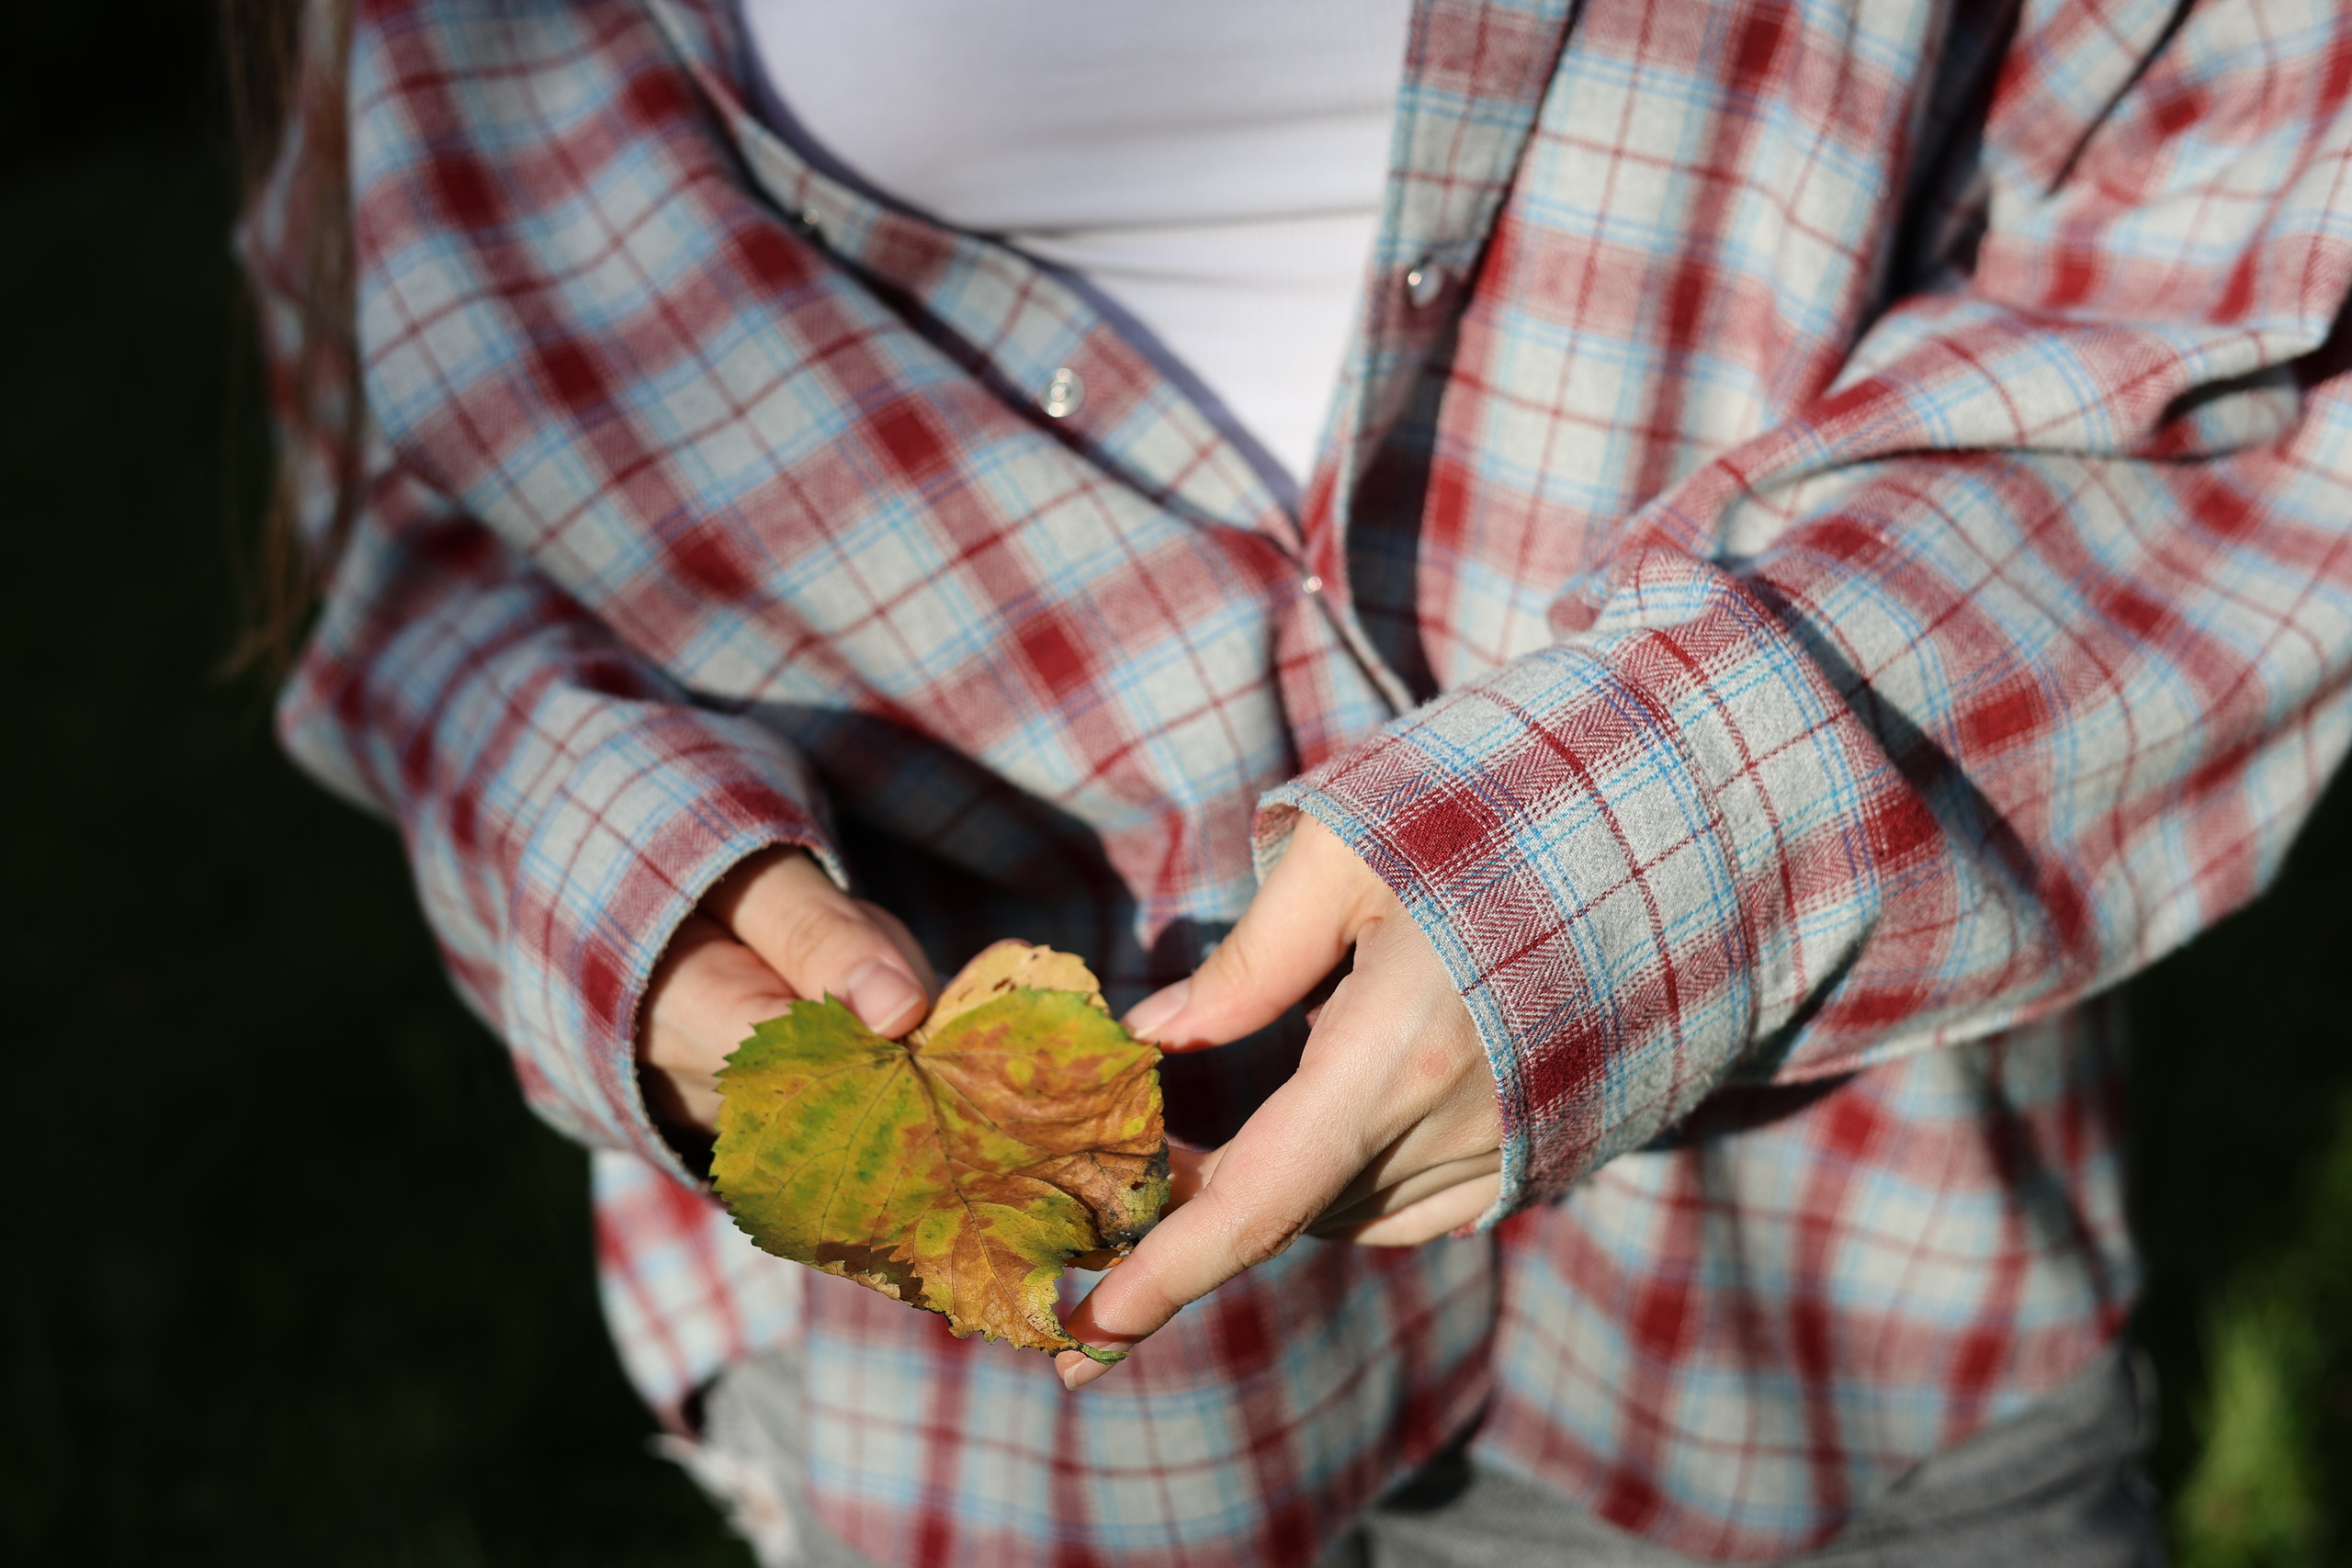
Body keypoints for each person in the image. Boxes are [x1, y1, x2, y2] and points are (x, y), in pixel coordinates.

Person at [233, 0, 2352, 1562]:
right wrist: (635, 888)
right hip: (1021, 1451)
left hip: (1808, 1326)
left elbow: (2261, 241)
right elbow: (404, 513)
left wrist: (1663, 837)